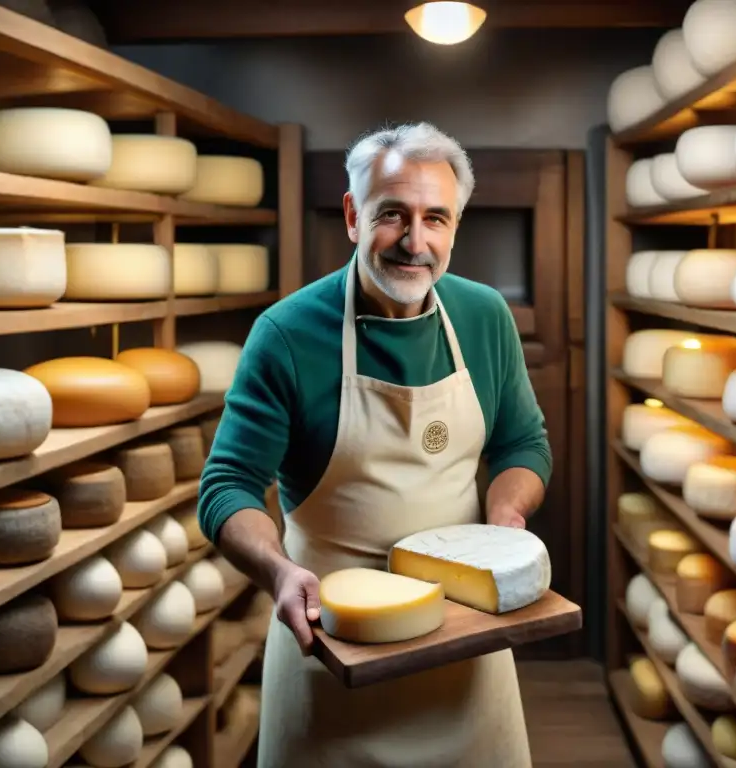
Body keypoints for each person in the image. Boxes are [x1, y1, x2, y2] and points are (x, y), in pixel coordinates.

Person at [197, 121, 553, 767]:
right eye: (393, 214)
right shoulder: (286, 334)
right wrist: (279, 573)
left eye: (436, 219)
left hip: (465, 645)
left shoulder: (483, 316)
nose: (416, 242)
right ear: (353, 217)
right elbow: (226, 486)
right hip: (334, 648)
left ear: (455, 227)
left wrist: (506, 520)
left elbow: (523, 443)